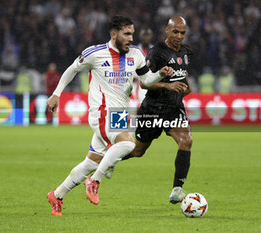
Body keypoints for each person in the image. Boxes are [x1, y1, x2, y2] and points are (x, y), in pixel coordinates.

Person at [46, 15, 173, 216]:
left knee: (91, 161)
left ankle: (57, 195)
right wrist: (56, 94)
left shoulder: (136, 54)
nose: (131, 38)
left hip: (119, 114)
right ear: (114, 34)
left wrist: (160, 74)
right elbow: (71, 70)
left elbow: (146, 80)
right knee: (128, 144)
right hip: (102, 112)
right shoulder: (95, 53)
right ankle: (95, 181)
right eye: (126, 34)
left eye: (132, 33)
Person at [120, 16, 193, 204]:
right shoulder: (156, 53)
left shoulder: (186, 52)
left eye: (182, 33)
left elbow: (182, 72)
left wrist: (187, 86)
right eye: (175, 31)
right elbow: (145, 84)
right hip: (152, 109)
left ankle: (177, 189)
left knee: (186, 141)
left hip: (174, 109)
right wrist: (168, 87)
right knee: (137, 151)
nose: (179, 36)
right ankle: (108, 160)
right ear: (166, 31)